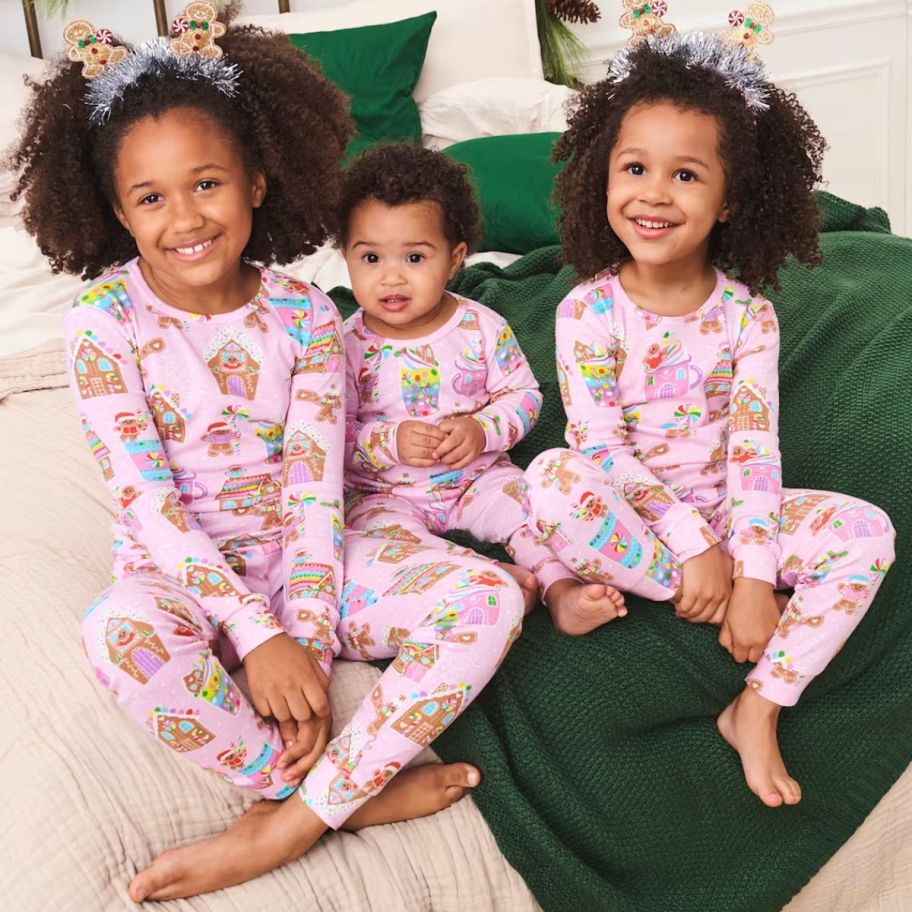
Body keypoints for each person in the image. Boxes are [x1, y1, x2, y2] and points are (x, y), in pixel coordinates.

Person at [11, 7, 524, 899]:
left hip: (313, 558)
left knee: (485, 597)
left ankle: (290, 821)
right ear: (114, 209)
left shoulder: (306, 315)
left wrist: (306, 648)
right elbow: (148, 503)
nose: (184, 218)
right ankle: (321, 789)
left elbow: (315, 492)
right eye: (151, 197)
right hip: (182, 572)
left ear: (255, 179)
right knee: (116, 633)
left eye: (206, 183)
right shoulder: (100, 324)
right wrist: (252, 634)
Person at [521, 27, 895, 808]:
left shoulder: (748, 318)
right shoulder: (588, 310)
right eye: (634, 168)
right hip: (644, 518)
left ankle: (758, 703)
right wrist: (696, 551)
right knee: (552, 478)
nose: (654, 193)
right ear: (602, 179)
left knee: (869, 532)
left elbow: (756, 453)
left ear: (729, 201)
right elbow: (599, 445)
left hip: (733, 510)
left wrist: (756, 569)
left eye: (685, 174)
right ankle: (705, 596)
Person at [339, 144, 576, 615]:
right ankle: (480, 573)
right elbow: (328, 433)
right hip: (383, 493)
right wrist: (390, 441)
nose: (391, 278)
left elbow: (525, 396)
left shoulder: (479, 326)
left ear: (454, 259)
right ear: (345, 255)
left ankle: (559, 587)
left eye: (414, 258)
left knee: (534, 510)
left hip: (476, 478)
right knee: (366, 546)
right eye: (370, 259)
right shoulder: (341, 344)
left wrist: (481, 429)